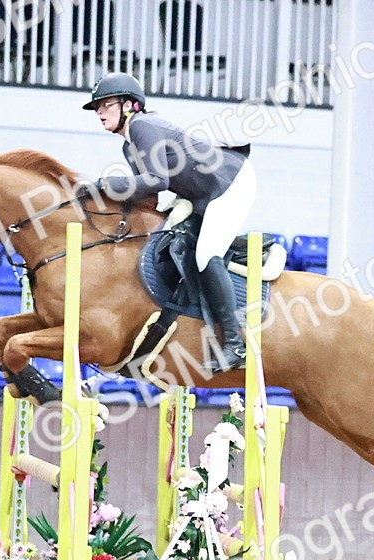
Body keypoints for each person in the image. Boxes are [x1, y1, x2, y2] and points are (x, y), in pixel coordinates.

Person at [81, 72, 256, 374]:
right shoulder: (130, 143)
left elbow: (156, 181)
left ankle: (235, 343)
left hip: (230, 183)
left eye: (106, 104)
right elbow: (148, 194)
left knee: (205, 254)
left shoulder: (143, 126)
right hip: (202, 193)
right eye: (97, 107)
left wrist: (105, 184)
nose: (99, 112)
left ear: (129, 106)